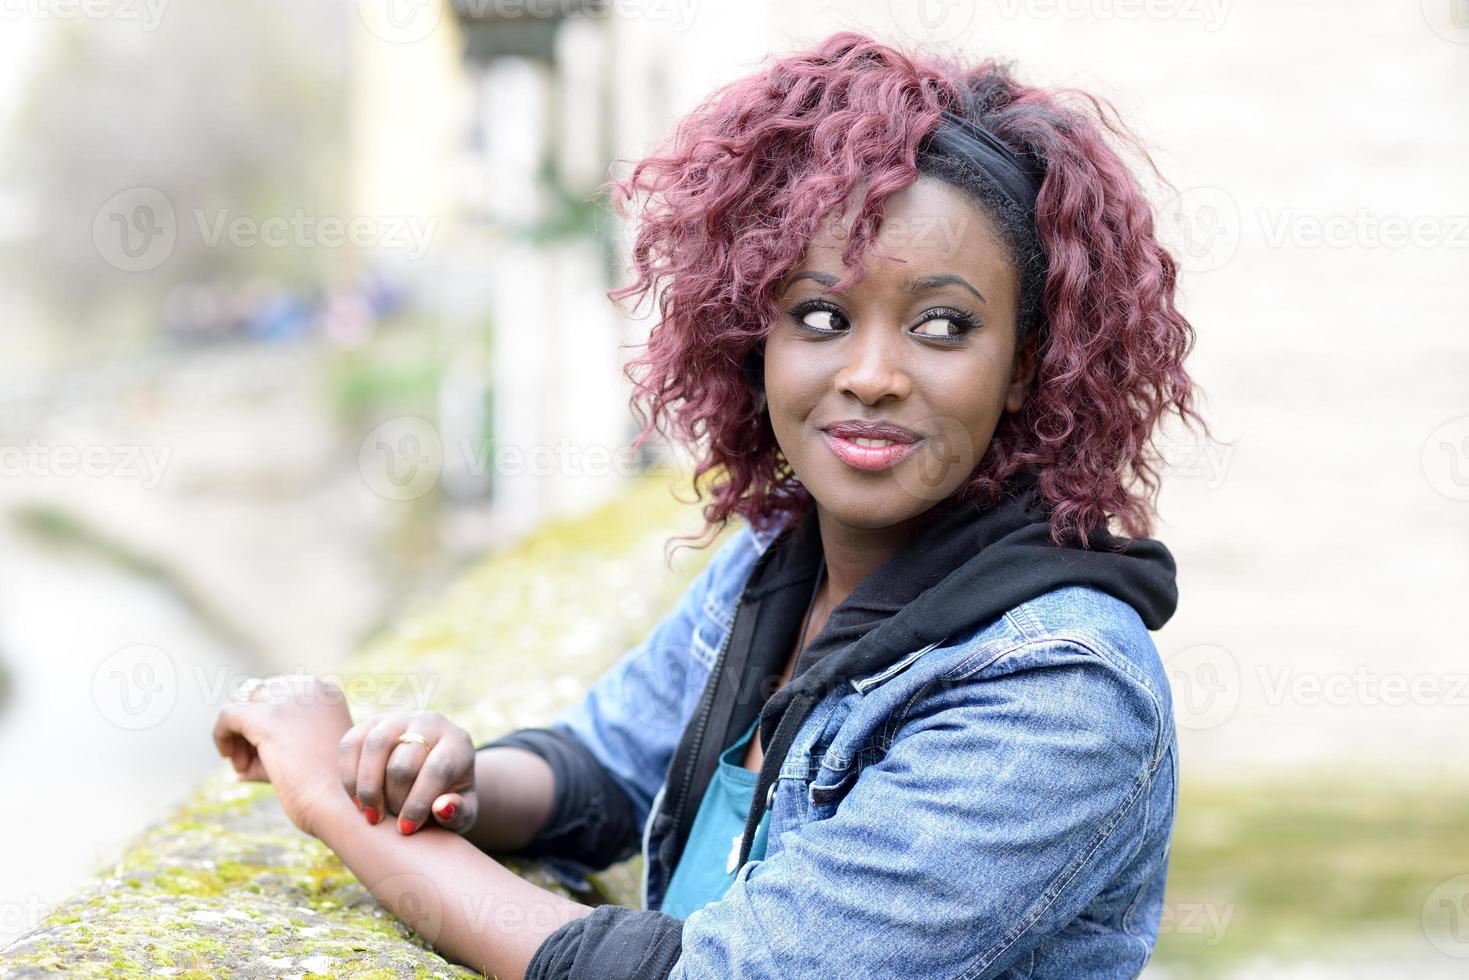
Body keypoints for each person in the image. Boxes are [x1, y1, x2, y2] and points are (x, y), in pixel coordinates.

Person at [211, 30, 1207, 980]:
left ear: (1024, 367)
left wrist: (327, 805)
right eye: (820, 315)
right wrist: (441, 776)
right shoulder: (779, 557)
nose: (869, 374)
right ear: (753, 334)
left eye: (941, 326)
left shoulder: (1057, 694)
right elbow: (600, 766)